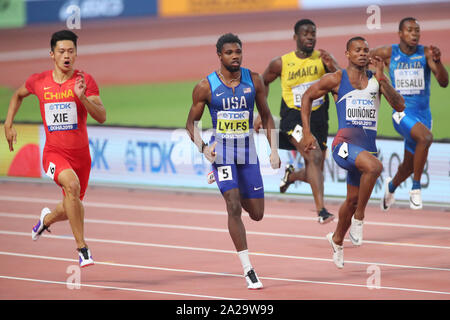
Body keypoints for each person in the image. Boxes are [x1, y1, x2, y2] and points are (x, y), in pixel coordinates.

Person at [4, 30, 106, 267]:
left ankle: (45, 220)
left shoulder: (85, 81)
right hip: (53, 154)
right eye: (61, 51)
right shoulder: (38, 81)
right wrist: (8, 123)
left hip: (82, 157)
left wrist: (82, 98)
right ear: (52, 54)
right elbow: (17, 95)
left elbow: (102, 116)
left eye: (71, 51)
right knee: (71, 186)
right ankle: (83, 250)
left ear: (76, 54)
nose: (66, 56)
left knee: (72, 205)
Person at [186, 33, 280, 289]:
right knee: (234, 206)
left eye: (238, 51)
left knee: (257, 214)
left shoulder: (255, 80)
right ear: (220, 55)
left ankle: (226, 181)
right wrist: (204, 148)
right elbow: (190, 124)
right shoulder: (205, 87)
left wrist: (274, 150)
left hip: (248, 154)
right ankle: (248, 269)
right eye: (229, 53)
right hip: (223, 154)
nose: (235, 56)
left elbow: (267, 116)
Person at [301, 37, 405, 268]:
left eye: (366, 50)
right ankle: (359, 218)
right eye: (357, 50)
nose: (362, 53)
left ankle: (337, 239)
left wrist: (382, 78)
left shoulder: (376, 81)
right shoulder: (336, 79)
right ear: (347, 54)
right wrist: (307, 133)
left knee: (352, 199)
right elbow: (307, 96)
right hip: (343, 145)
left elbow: (399, 106)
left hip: (365, 149)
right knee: (375, 167)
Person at [255, 19, 339, 224]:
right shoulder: (281, 63)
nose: (310, 37)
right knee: (315, 157)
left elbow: (341, 80)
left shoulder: (323, 58)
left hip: (319, 117)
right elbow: (263, 81)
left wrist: (332, 66)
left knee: (316, 167)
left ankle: (291, 176)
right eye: (305, 33)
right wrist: (262, 112)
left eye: (313, 33)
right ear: (296, 37)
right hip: (294, 118)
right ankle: (322, 212)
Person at [370, 17, 448, 211]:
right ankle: (416, 188)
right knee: (426, 138)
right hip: (401, 112)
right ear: (400, 34)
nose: (414, 34)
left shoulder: (426, 53)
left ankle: (391, 187)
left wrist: (438, 62)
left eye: (417, 31)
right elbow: (363, 58)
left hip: (423, 115)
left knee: (409, 165)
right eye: (410, 30)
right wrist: (373, 75)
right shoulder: (389, 53)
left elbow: (444, 82)